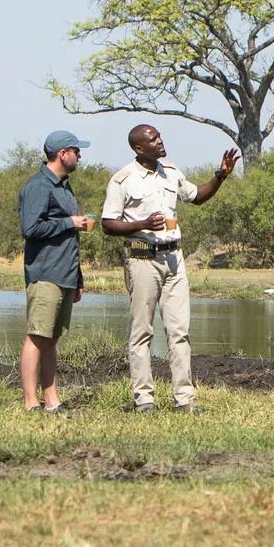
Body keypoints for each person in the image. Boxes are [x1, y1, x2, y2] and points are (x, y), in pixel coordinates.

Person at [101, 125, 237, 412]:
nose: (160, 142)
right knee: (142, 332)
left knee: (179, 331)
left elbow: (197, 196)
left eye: (160, 136)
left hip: (174, 258)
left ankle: (184, 399)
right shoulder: (122, 179)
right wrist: (142, 224)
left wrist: (221, 175)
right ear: (139, 148)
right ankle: (144, 400)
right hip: (141, 258)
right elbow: (108, 224)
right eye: (153, 139)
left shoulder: (171, 172)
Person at [16, 129, 95, 412]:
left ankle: (51, 401)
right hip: (45, 273)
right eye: (76, 151)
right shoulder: (39, 186)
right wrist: (69, 223)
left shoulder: (63, 186)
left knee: (51, 338)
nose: (80, 156)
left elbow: (67, 236)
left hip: (65, 273)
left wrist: (77, 276)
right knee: (37, 335)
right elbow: (30, 229)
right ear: (62, 154)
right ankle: (30, 402)